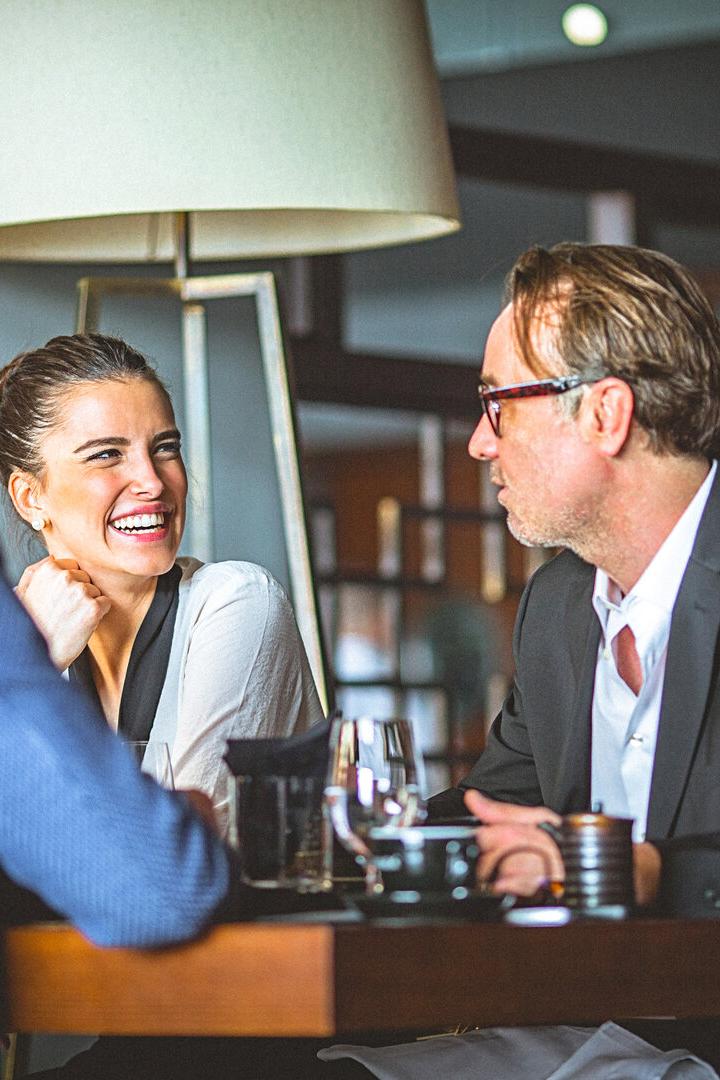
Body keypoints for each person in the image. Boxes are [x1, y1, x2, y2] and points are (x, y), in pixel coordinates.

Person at [426, 242, 720, 919]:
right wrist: (332, 831)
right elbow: (494, 812)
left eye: (499, 402)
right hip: (580, 1015)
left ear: (605, 415)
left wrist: (642, 872)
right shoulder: (557, 605)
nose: (479, 441)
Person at [0, 333, 324, 833]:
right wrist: (35, 660)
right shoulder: (23, 647)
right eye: (106, 454)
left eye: (165, 447)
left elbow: (182, 852)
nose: (152, 481)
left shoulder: (237, 604)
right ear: (29, 496)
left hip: (264, 915)